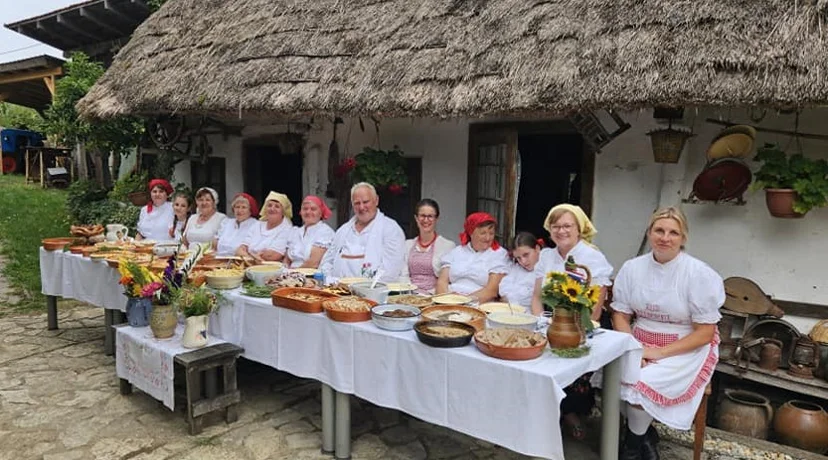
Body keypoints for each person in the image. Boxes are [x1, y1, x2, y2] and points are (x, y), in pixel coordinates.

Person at [611, 207, 723, 460]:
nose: (665, 237)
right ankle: (644, 436)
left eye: (674, 232)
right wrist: (633, 348)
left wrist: (657, 353)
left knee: (642, 384)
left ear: (683, 238)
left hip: (685, 345)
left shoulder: (698, 273)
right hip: (638, 338)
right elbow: (621, 314)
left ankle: (630, 447)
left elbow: (705, 332)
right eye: (659, 230)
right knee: (611, 378)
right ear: (649, 233)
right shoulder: (632, 268)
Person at [530, 204, 613, 441]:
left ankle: (570, 414)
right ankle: (544, 414)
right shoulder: (546, 256)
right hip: (550, 322)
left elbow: (595, 309)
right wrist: (540, 321)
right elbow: (537, 297)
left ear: (579, 229)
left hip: (584, 324)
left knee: (567, 364)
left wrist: (573, 328)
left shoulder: (592, 257)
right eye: (555, 226)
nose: (561, 231)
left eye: (567, 226)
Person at [320, 182, 406, 282]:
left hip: (373, 294)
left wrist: (363, 289)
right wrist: (331, 281)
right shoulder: (343, 230)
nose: (361, 207)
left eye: (365, 202)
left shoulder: (391, 229)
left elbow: (390, 271)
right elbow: (327, 262)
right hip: (338, 292)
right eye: (357, 203)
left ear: (376, 200)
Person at [436, 212, 508, 303]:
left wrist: (463, 301)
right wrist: (446, 301)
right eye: (483, 233)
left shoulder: (498, 255)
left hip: (478, 304)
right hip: (449, 301)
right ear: (471, 233)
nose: (487, 238)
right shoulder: (457, 252)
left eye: (491, 233)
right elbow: (441, 282)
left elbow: (491, 291)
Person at [400, 199, 455, 294]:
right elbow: (403, 275)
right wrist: (410, 294)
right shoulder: (407, 245)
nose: (426, 220)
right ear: (416, 218)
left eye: (430, 216)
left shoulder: (448, 246)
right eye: (422, 216)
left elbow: (448, 280)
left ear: (437, 219)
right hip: (409, 295)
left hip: (434, 296)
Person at [236, 191, 294, 262]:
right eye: (269, 205)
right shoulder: (257, 225)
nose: (272, 209)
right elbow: (240, 249)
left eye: (277, 206)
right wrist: (253, 257)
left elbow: (273, 255)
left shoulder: (287, 229)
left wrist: (247, 255)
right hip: (249, 264)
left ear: (283, 211)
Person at [498, 232, 548, 308]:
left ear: (537, 249)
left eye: (526, 255)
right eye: (518, 258)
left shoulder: (548, 268)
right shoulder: (515, 269)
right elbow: (503, 292)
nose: (523, 261)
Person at [284, 195, 336, 268]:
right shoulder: (295, 231)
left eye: (313, 209)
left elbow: (313, 263)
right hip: (290, 274)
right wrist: (285, 270)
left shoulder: (325, 232)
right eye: (305, 209)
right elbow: (287, 259)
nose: (308, 212)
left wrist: (292, 274)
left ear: (320, 213)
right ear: (301, 212)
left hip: (312, 275)